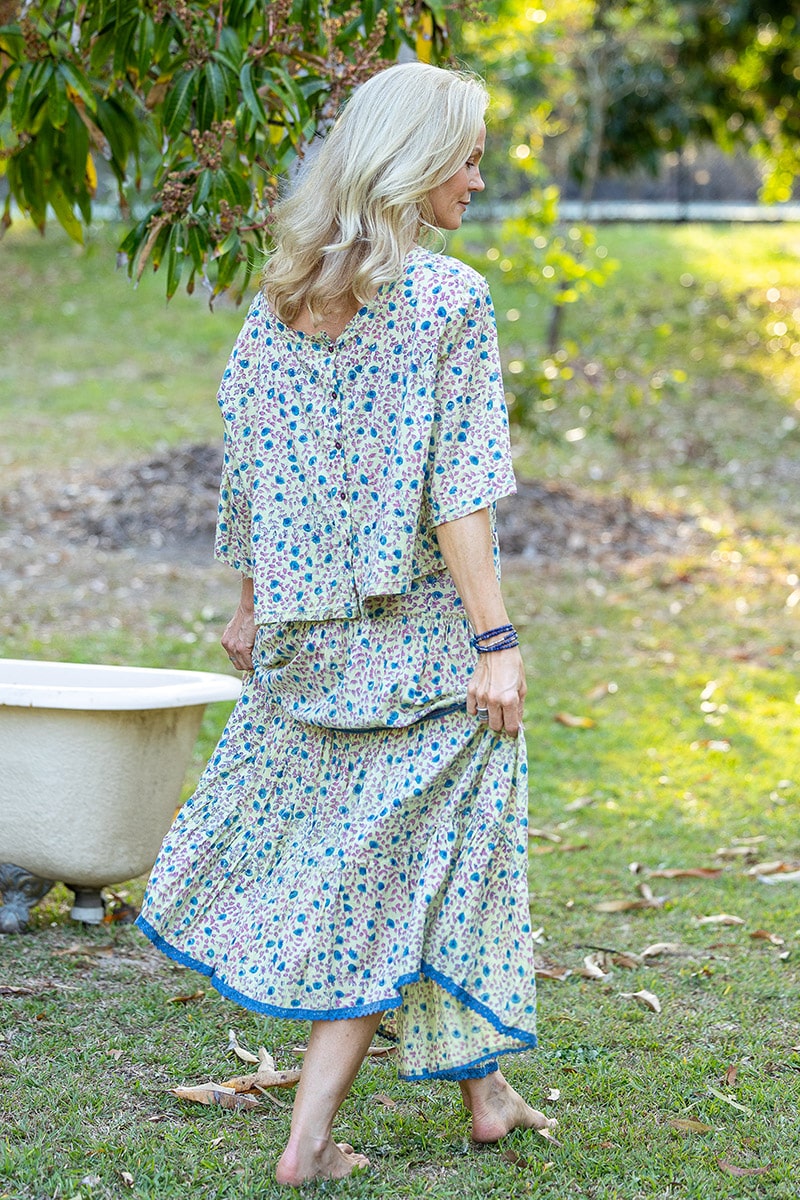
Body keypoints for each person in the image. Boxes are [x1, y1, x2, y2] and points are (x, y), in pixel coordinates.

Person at [136, 60, 553, 1186]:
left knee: (446, 849)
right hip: (419, 646)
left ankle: (486, 1091)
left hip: (310, 638)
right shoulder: (447, 299)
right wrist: (496, 642)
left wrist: (250, 604)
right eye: (467, 158)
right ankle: (308, 1141)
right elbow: (459, 488)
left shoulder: (280, 299)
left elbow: (250, 464)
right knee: (396, 875)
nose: (477, 178)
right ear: (413, 164)